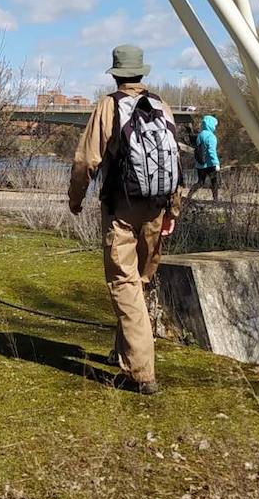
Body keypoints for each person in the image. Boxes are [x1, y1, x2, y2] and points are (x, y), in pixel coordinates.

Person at [68, 45, 181, 396]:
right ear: (141, 73)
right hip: (157, 206)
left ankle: (141, 373)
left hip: (121, 208)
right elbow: (175, 160)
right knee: (139, 281)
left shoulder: (109, 105)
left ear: (116, 74)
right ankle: (123, 350)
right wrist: (172, 211)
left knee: (123, 282)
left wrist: (76, 198)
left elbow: (87, 160)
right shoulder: (162, 106)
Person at [188, 115, 221, 201]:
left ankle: (189, 195)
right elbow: (211, 151)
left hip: (200, 164)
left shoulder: (200, 135)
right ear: (211, 125)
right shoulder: (211, 137)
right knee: (214, 182)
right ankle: (215, 199)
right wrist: (216, 163)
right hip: (210, 164)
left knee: (200, 182)